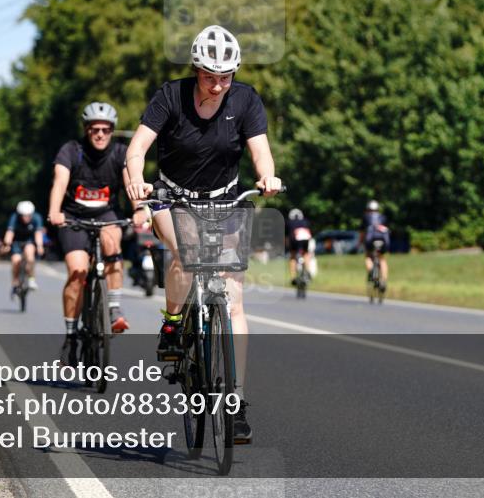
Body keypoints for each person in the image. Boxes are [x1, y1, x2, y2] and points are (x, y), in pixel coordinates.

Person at [125, 24, 282, 444]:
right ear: (195, 69)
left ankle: (236, 398)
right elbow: (137, 148)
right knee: (186, 256)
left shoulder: (245, 99)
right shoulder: (169, 97)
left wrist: (267, 176)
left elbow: (260, 148)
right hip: (172, 198)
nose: (218, 84)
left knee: (233, 296)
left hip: (225, 199)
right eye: (211, 75)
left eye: (226, 76)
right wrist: (138, 182)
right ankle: (174, 323)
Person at [49, 102, 135, 366]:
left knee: (112, 243)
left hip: (106, 215)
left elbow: (131, 182)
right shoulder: (71, 151)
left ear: (112, 131)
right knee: (78, 272)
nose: (100, 134)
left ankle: (113, 310)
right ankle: (72, 334)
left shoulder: (121, 153)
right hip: (73, 218)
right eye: (95, 129)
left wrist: (140, 209)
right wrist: (55, 211)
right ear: (87, 130)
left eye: (106, 129)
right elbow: (60, 181)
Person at [2, 200, 45, 297]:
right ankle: (15, 282)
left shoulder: (36, 218)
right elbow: (10, 232)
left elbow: (38, 233)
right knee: (15, 261)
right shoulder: (14, 218)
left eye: (28, 215)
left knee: (30, 257)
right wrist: (7, 244)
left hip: (29, 241)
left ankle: (31, 279)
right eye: (23, 215)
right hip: (16, 241)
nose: (26, 218)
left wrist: (39, 246)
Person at [363, 200, 390, 289]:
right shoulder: (383, 217)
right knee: (382, 259)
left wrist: (360, 243)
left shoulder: (366, 217)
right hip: (383, 240)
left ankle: (371, 271)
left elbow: (362, 233)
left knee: (368, 256)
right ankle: (383, 281)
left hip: (371, 240)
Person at [286, 209, 314, 284]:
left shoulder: (288, 222)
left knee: (293, 256)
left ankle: (293, 277)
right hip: (305, 238)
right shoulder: (306, 221)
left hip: (294, 238)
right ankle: (308, 271)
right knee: (306, 254)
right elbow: (310, 232)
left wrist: (288, 247)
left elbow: (287, 237)